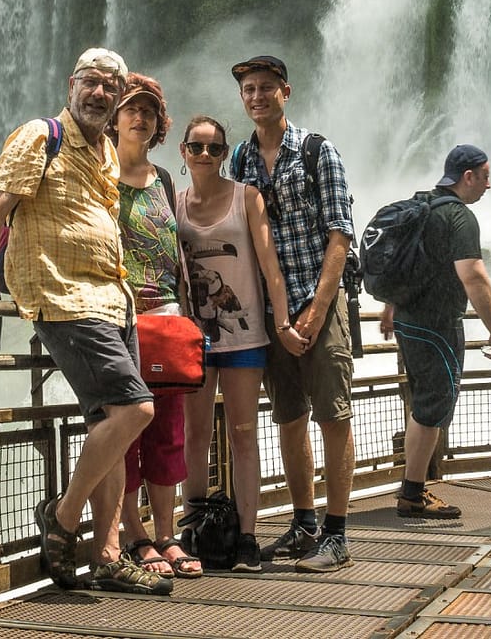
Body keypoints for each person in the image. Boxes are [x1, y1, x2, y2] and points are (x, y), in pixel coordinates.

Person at [0, 48, 172, 596]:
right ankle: (63, 516)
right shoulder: (39, 134)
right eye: (91, 82)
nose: (99, 93)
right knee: (136, 409)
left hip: (112, 297)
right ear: (71, 83)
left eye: (110, 85)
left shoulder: (105, 149)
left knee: (116, 424)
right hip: (62, 295)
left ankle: (106, 556)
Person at [229, 55, 356, 572]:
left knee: (333, 415)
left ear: (286, 92)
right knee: (288, 416)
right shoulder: (239, 158)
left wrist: (318, 309)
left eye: (265, 88)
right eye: (248, 89)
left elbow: (340, 234)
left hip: (318, 303)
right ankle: (304, 524)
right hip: (270, 314)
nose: (256, 96)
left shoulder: (317, 151)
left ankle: (337, 534)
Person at [175, 115, 289, 573]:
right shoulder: (174, 203)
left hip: (244, 336)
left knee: (244, 434)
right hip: (192, 338)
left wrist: (282, 322)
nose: (205, 155)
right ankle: (194, 529)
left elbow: (270, 266)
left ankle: (246, 536)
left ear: (226, 154)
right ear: (183, 152)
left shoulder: (247, 198)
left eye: (215, 148)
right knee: (194, 435)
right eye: (196, 147)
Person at [101, 74, 202, 580]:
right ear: (114, 118)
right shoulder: (99, 174)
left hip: (166, 320)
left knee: (168, 432)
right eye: (130, 110)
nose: (139, 118)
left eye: (149, 113)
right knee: (127, 433)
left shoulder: (164, 179)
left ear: (160, 125)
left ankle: (168, 534)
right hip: (117, 322)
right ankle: (135, 534)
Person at [378, 144, 491, 517]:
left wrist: (389, 308)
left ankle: (411, 488)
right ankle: (413, 495)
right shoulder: (459, 218)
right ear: (467, 177)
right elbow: (474, 276)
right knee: (433, 408)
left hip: (408, 321)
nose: (489, 185)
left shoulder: (422, 205)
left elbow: (404, 264)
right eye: (485, 177)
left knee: (423, 405)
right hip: (436, 326)